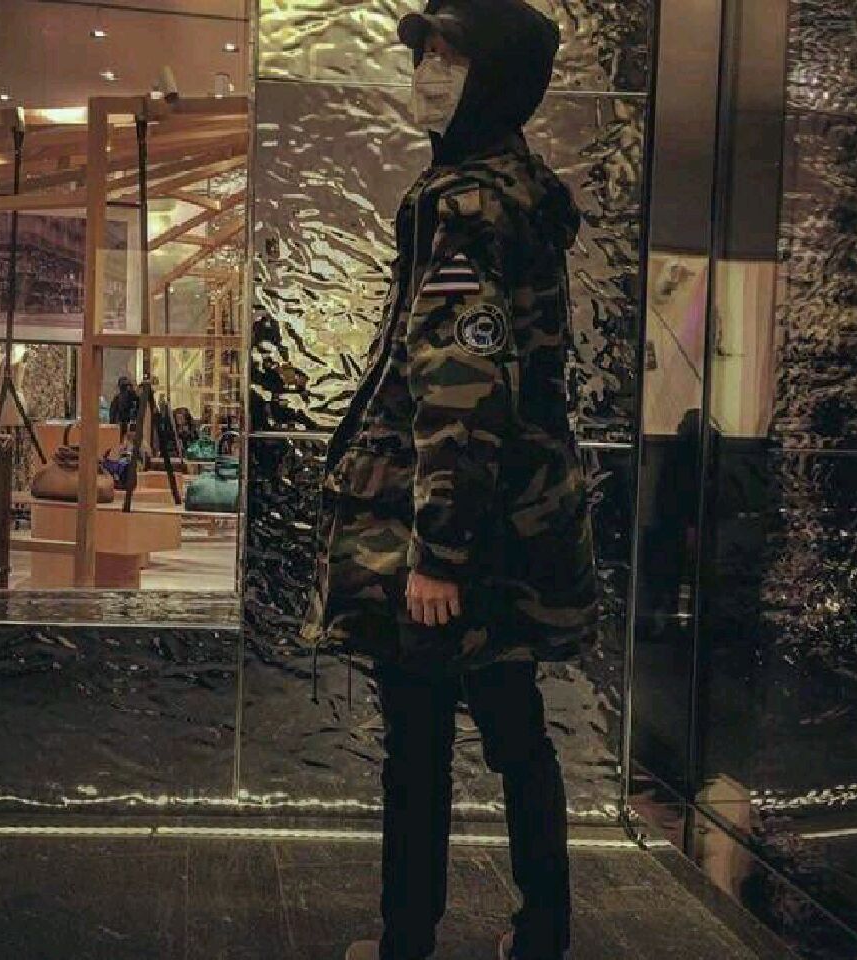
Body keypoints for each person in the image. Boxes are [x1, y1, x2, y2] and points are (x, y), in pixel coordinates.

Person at [301, 2, 600, 958]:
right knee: (517, 731)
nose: (428, 75)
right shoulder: (523, 193)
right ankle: (543, 932)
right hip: (516, 521)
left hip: (450, 531)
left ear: (495, 79)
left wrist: (438, 553)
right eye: (425, 54)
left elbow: (459, 387)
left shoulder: (463, 205)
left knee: (419, 741)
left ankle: (406, 942)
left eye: (448, 57)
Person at [108, 375, 139, 440]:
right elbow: (112, 415)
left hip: (125, 425)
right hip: (121, 424)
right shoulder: (118, 398)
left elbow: (112, 415)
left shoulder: (130, 397)